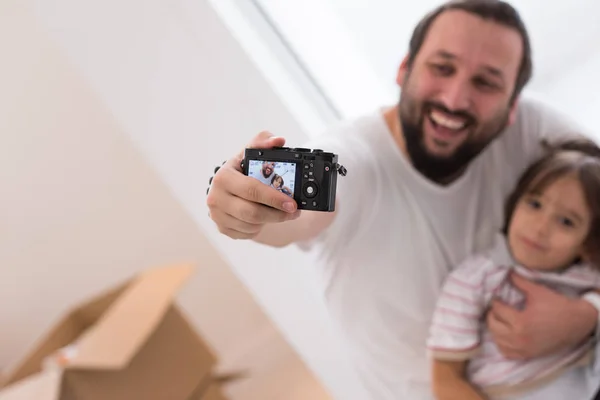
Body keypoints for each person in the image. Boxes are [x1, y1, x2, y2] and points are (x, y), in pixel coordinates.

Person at [206, 1, 600, 398]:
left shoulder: (531, 130)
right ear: (404, 69)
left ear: (513, 106)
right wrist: (245, 204)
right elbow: (301, 207)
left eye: (486, 83)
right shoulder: (353, 158)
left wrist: (587, 314)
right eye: (441, 67)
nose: (455, 98)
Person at [428, 138, 600, 400]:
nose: (540, 227)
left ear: (586, 245)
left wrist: (590, 309)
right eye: (534, 204)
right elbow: (446, 378)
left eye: (566, 221)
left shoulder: (588, 272)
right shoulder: (474, 279)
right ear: (515, 202)